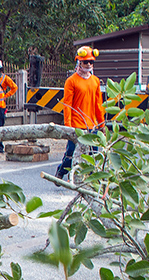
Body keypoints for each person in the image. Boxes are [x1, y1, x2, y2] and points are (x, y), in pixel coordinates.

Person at [55, 46, 105, 180]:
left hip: (92, 125)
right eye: (85, 62)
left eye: (91, 62)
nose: (88, 64)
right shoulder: (71, 81)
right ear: (79, 62)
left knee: (93, 153)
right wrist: (68, 126)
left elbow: (98, 104)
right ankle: (61, 171)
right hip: (76, 125)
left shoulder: (95, 81)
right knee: (71, 152)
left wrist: (101, 124)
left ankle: (89, 179)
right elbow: (67, 105)